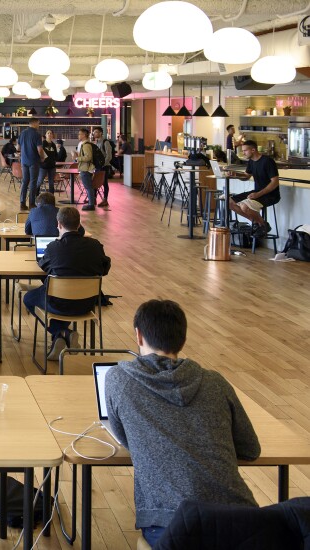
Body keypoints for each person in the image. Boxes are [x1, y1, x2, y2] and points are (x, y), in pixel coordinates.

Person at [104, 299, 260, 547]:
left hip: (171, 524)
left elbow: (125, 438)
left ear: (138, 335)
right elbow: (250, 448)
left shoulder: (119, 379)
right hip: (241, 521)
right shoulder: (215, 382)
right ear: (182, 339)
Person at [23, 206, 110, 359]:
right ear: (79, 224)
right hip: (87, 304)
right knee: (50, 294)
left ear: (59, 224)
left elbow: (44, 267)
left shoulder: (53, 248)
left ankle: (62, 333)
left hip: (58, 303)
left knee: (29, 298)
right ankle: (61, 336)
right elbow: (104, 269)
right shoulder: (95, 246)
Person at [227, 140, 280, 239]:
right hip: (257, 192)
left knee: (244, 206)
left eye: (245, 150)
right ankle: (259, 222)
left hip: (271, 195)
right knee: (229, 201)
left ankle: (262, 225)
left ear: (253, 150)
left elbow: (275, 182)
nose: (243, 153)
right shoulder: (251, 161)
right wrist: (236, 174)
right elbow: (246, 176)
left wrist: (258, 194)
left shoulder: (267, 161)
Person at [18, 118, 46, 210]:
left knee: (25, 181)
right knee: (33, 182)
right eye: (38, 123)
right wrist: (42, 157)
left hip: (24, 161)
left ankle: (22, 203)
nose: (39, 125)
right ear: (34, 123)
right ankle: (31, 204)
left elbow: (18, 147)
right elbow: (40, 149)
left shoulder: (22, 133)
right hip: (34, 161)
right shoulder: (37, 134)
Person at [76, 128, 97, 211]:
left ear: (84, 135)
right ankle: (91, 203)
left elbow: (88, 157)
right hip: (85, 168)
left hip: (86, 169)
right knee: (88, 187)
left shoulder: (86, 145)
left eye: (79, 134)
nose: (78, 135)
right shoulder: (85, 144)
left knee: (88, 187)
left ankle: (91, 204)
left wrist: (78, 158)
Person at [92, 126, 113, 208]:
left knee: (104, 183)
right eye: (94, 132)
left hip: (104, 166)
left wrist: (103, 164)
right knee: (95, 182)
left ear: (101, 133)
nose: (94, 133)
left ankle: (105, 200)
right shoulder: (97, 142)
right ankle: (93, 198)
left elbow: (109, 155)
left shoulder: (105, 142)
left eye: (96, 132)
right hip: (98, 166)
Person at [37, 130, 58, 194]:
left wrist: (54, 160)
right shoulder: (43, 143)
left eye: (51, 133)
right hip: (43, 166)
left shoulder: (53, 145)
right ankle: (36, 195)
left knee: (51, 182)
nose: (49, 134)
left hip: (52, 166)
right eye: (48, 133)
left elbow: (55, 155)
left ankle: (51, 198)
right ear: (45, 135)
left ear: (52, 135)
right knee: (40, 181)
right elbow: (39, 153)